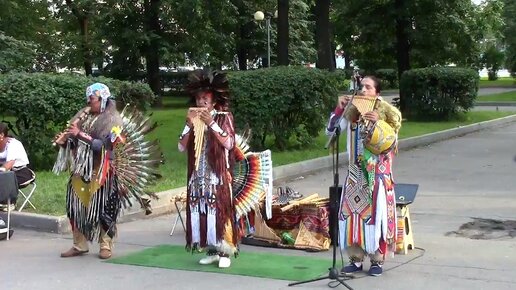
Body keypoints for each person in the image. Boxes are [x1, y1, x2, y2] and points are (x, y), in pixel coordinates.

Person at [326, 76, 402, 276]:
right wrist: (339, 109)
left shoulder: (387, 113)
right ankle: (355, 259)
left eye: (368, 87)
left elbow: (392, 144)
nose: (363, 90)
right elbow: (331, 131)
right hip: (355, 174)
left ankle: (377, 260)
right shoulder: (353, 111)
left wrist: (378, 124)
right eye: (361, 87)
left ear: (377, 93)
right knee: (353, 216)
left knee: (376, 217)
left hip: (377, 174)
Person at [53, 83, 123, 260]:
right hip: (80, 169)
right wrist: (64, 142)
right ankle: (79, 244)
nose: (88, 102)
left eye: (92, 99)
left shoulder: (113, 119)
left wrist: (78, 134)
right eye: (88, 99)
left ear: (103, 99)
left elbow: (103, 145)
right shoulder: (83, 116)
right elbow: (74, 144)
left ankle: (105, 245)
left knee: (105, 208)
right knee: (74, 206)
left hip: (102, 169)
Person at [178, 69, 237, 268]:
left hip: (217, 174)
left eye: (205, 98)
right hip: (198, 174)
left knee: (221, 211)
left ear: (213, 101)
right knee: (202, 209)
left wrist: (211, 123)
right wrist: (188, 126)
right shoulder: (192, 117)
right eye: (198, 98)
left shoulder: (223, 116)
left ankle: (226, 252)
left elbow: (229, 143)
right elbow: (181, 147)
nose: (201, 102)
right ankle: (212, 249)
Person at [0, 122, 34, 211]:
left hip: (21, 172)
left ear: (1, 135)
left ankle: (8, 202)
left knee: (4, 177)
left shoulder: (13, 144)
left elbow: (9, 164)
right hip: (5, 173)